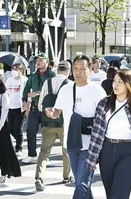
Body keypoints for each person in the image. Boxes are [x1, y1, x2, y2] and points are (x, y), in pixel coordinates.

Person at [86, 69, 131, 199]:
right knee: (110, 193)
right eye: (114, 81)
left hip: (127, 151)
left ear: (128, 84)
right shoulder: (104, 103)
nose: (115, 84)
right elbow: (96, 133)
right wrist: (92, 158)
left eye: (120, 81)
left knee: (120, 194)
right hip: (107, 149)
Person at [46, 55, 107, 199]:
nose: (78, 72)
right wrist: (51, 113)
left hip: (91, 146)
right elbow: (57, 113)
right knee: (83, 184)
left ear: (91, 69)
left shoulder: (97, 91)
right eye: (75, 68)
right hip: (71, 142)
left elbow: (105, 119)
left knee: (81, 184)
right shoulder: (66, 89)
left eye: (82, 69)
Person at [35, 61, 73, 191]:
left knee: (44, 152)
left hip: (48, 122)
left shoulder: (47, 82)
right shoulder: (70, 84)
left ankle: (39, 178)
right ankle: (66, 176)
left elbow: (40, 105)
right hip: (64, 124)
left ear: (57, 70)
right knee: (66, 151)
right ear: (68, 71)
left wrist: (48, 113)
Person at [22, 53, 56, 164]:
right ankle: (32, 154)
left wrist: (37, 93)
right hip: (34, 108)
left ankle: (45, 155)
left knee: (47, 133)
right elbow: (26, 88)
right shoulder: (33, 75)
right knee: (30, 131)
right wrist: (24, 101)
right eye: (37, 60)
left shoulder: (52, 75)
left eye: (41, 60)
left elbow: (53, 91)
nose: (38, 62)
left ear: (47, 62)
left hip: (47, 107)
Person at [5, 63, 28, 156]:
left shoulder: (25, 80)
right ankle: (20, 139)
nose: (14, 71)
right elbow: (5, 92)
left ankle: (19, 147)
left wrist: (27, 107)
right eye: (13, 69)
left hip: (20, 107)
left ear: (21, 70)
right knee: (10, 128)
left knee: (17, 128)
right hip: (10, 107)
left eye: (16, 69)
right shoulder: (9, 80)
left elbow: (27, 93)